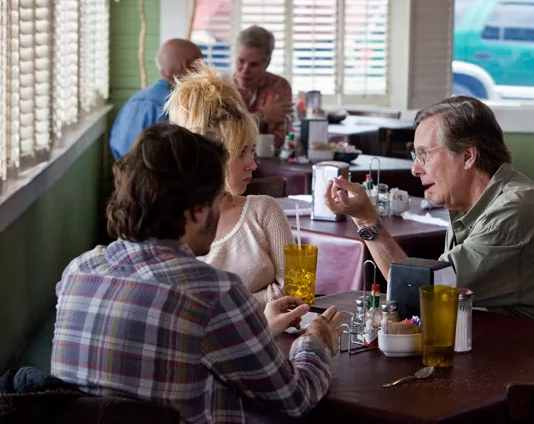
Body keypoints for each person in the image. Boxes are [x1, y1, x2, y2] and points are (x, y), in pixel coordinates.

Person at [51, 123, 341, 424]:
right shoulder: (212, 292)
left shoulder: (77, 272)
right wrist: (314, 342)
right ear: (198, 211)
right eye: (218, 199)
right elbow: (295, 399)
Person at [323, 96, 534, 324]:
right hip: (533, 350)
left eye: (424, 154)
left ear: (467, 156)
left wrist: (366, 218)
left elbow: (422, 294)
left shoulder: (514, 212)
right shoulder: (472, 203)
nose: (415, 168)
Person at [165, 61, 294, 304]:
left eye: (252, 151)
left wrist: (222, 309)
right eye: (241, 153)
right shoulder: (171, 222)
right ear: (211, 159)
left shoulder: (264, 211)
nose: (253, 165)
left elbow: (291, 290)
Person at [109, 39, 202, 159]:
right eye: (201, 63)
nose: (205, 71)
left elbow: (118, 147)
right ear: (187, 65)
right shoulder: (178, 107)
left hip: (126, 174)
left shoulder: (135, 101)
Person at [232, 25, 293, 148]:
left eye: (254, 65)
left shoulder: (279, 86)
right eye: (241, 61)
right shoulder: (220, 86)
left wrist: (239, 126)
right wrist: (262, 116)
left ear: (267, 63)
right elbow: (219, 134)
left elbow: (277, 141)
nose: (245, 70)